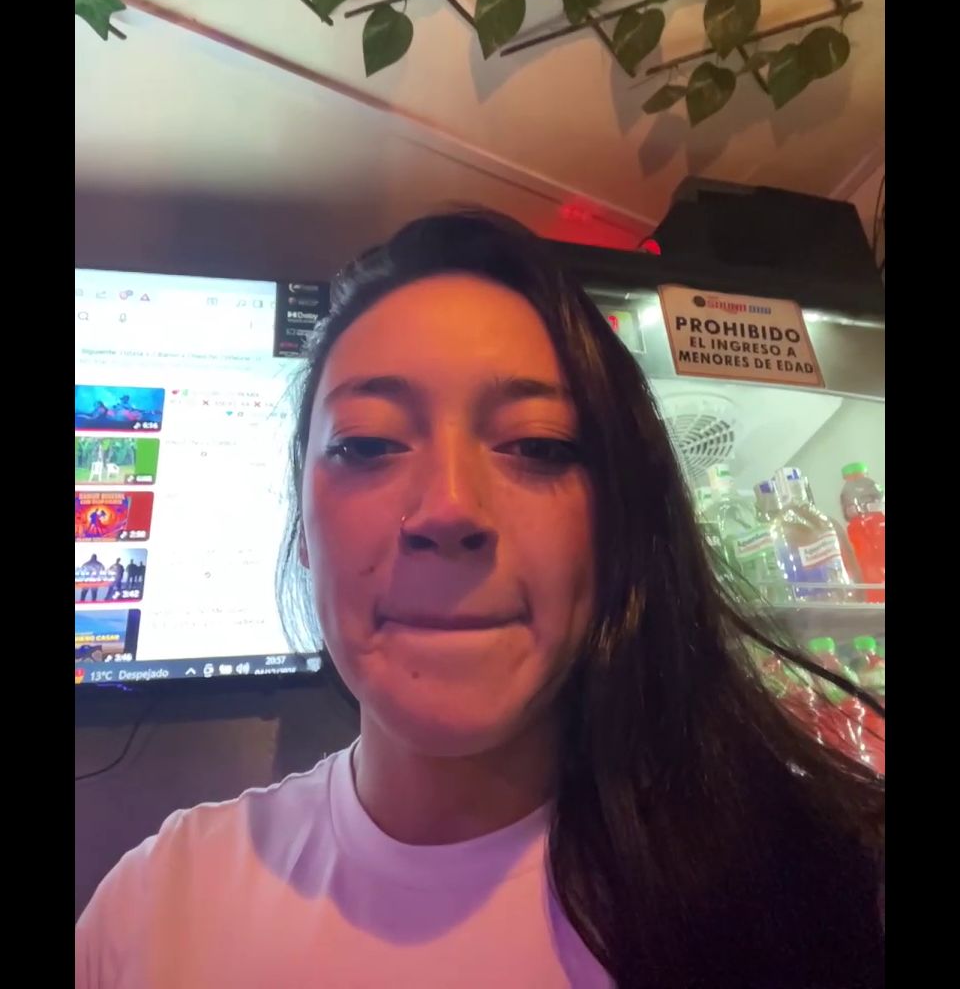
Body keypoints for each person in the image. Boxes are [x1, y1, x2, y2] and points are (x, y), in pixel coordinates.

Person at [75, 213, 884, 988]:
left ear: (619, 523)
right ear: (303, 523)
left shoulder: (807, 897)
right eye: (366, 443)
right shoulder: (153, 911)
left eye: (537, 445)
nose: (449, 508)